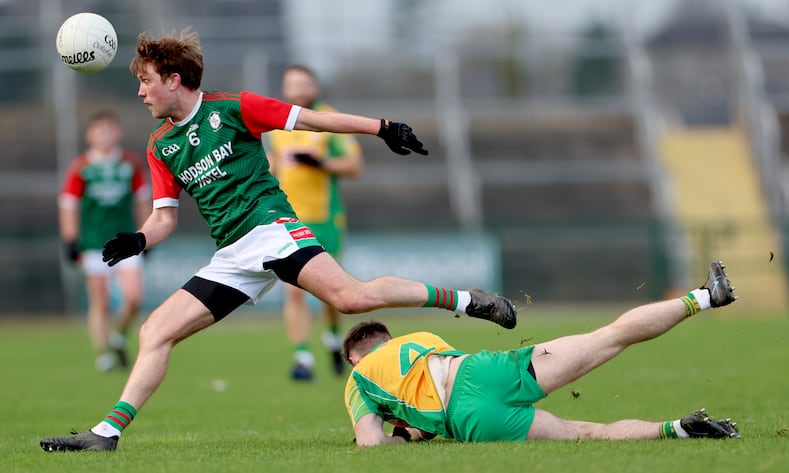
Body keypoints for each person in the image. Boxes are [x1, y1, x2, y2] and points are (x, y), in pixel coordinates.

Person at [39, 28, 516, 453]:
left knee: (353, 298)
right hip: (230, 254)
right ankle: (108, 434)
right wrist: (140, 239)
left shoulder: (234, 108)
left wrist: (382, 127)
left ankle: (467, 300)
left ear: (173, 79)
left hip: (271, 230)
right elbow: (163, 219)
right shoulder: (160, 145)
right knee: (154, 332)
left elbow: (310, 119)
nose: (141, 92)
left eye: (145, 80)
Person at [343, 261, 741, 445]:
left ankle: (678, 429)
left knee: (583, 433)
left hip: (469, 417)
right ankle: (703, 297)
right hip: (483, 371)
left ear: (355, 359)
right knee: (610, 336)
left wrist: (407, 439)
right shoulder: (419, 339)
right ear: (386, 336)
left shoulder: (359, 380)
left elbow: (371, 444)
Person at [265, 65, 364, 380]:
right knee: (293, 289)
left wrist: (321, 163)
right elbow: (271, 167)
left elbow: (354, 165)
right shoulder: (276, 125)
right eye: (291, 82)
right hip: (288, 218)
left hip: (325, 218)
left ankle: (334, 339)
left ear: (315, 86)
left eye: (303, 81)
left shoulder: (328, 119)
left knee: (331, 292)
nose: (297, 87)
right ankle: (302, 357)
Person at [58, 111, 151, 372]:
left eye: (109, 129)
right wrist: (70, 240)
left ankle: (118, 335)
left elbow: (143, 200)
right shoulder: (81, 167)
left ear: (118, 133)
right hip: (93, 243)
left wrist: (145, 235)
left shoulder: (131, 164)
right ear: (89, 136)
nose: (104, 135)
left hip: (125, 242)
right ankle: (103, 353)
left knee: (134, 296)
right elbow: (68, 205)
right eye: (98, 130)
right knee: (100, 300)